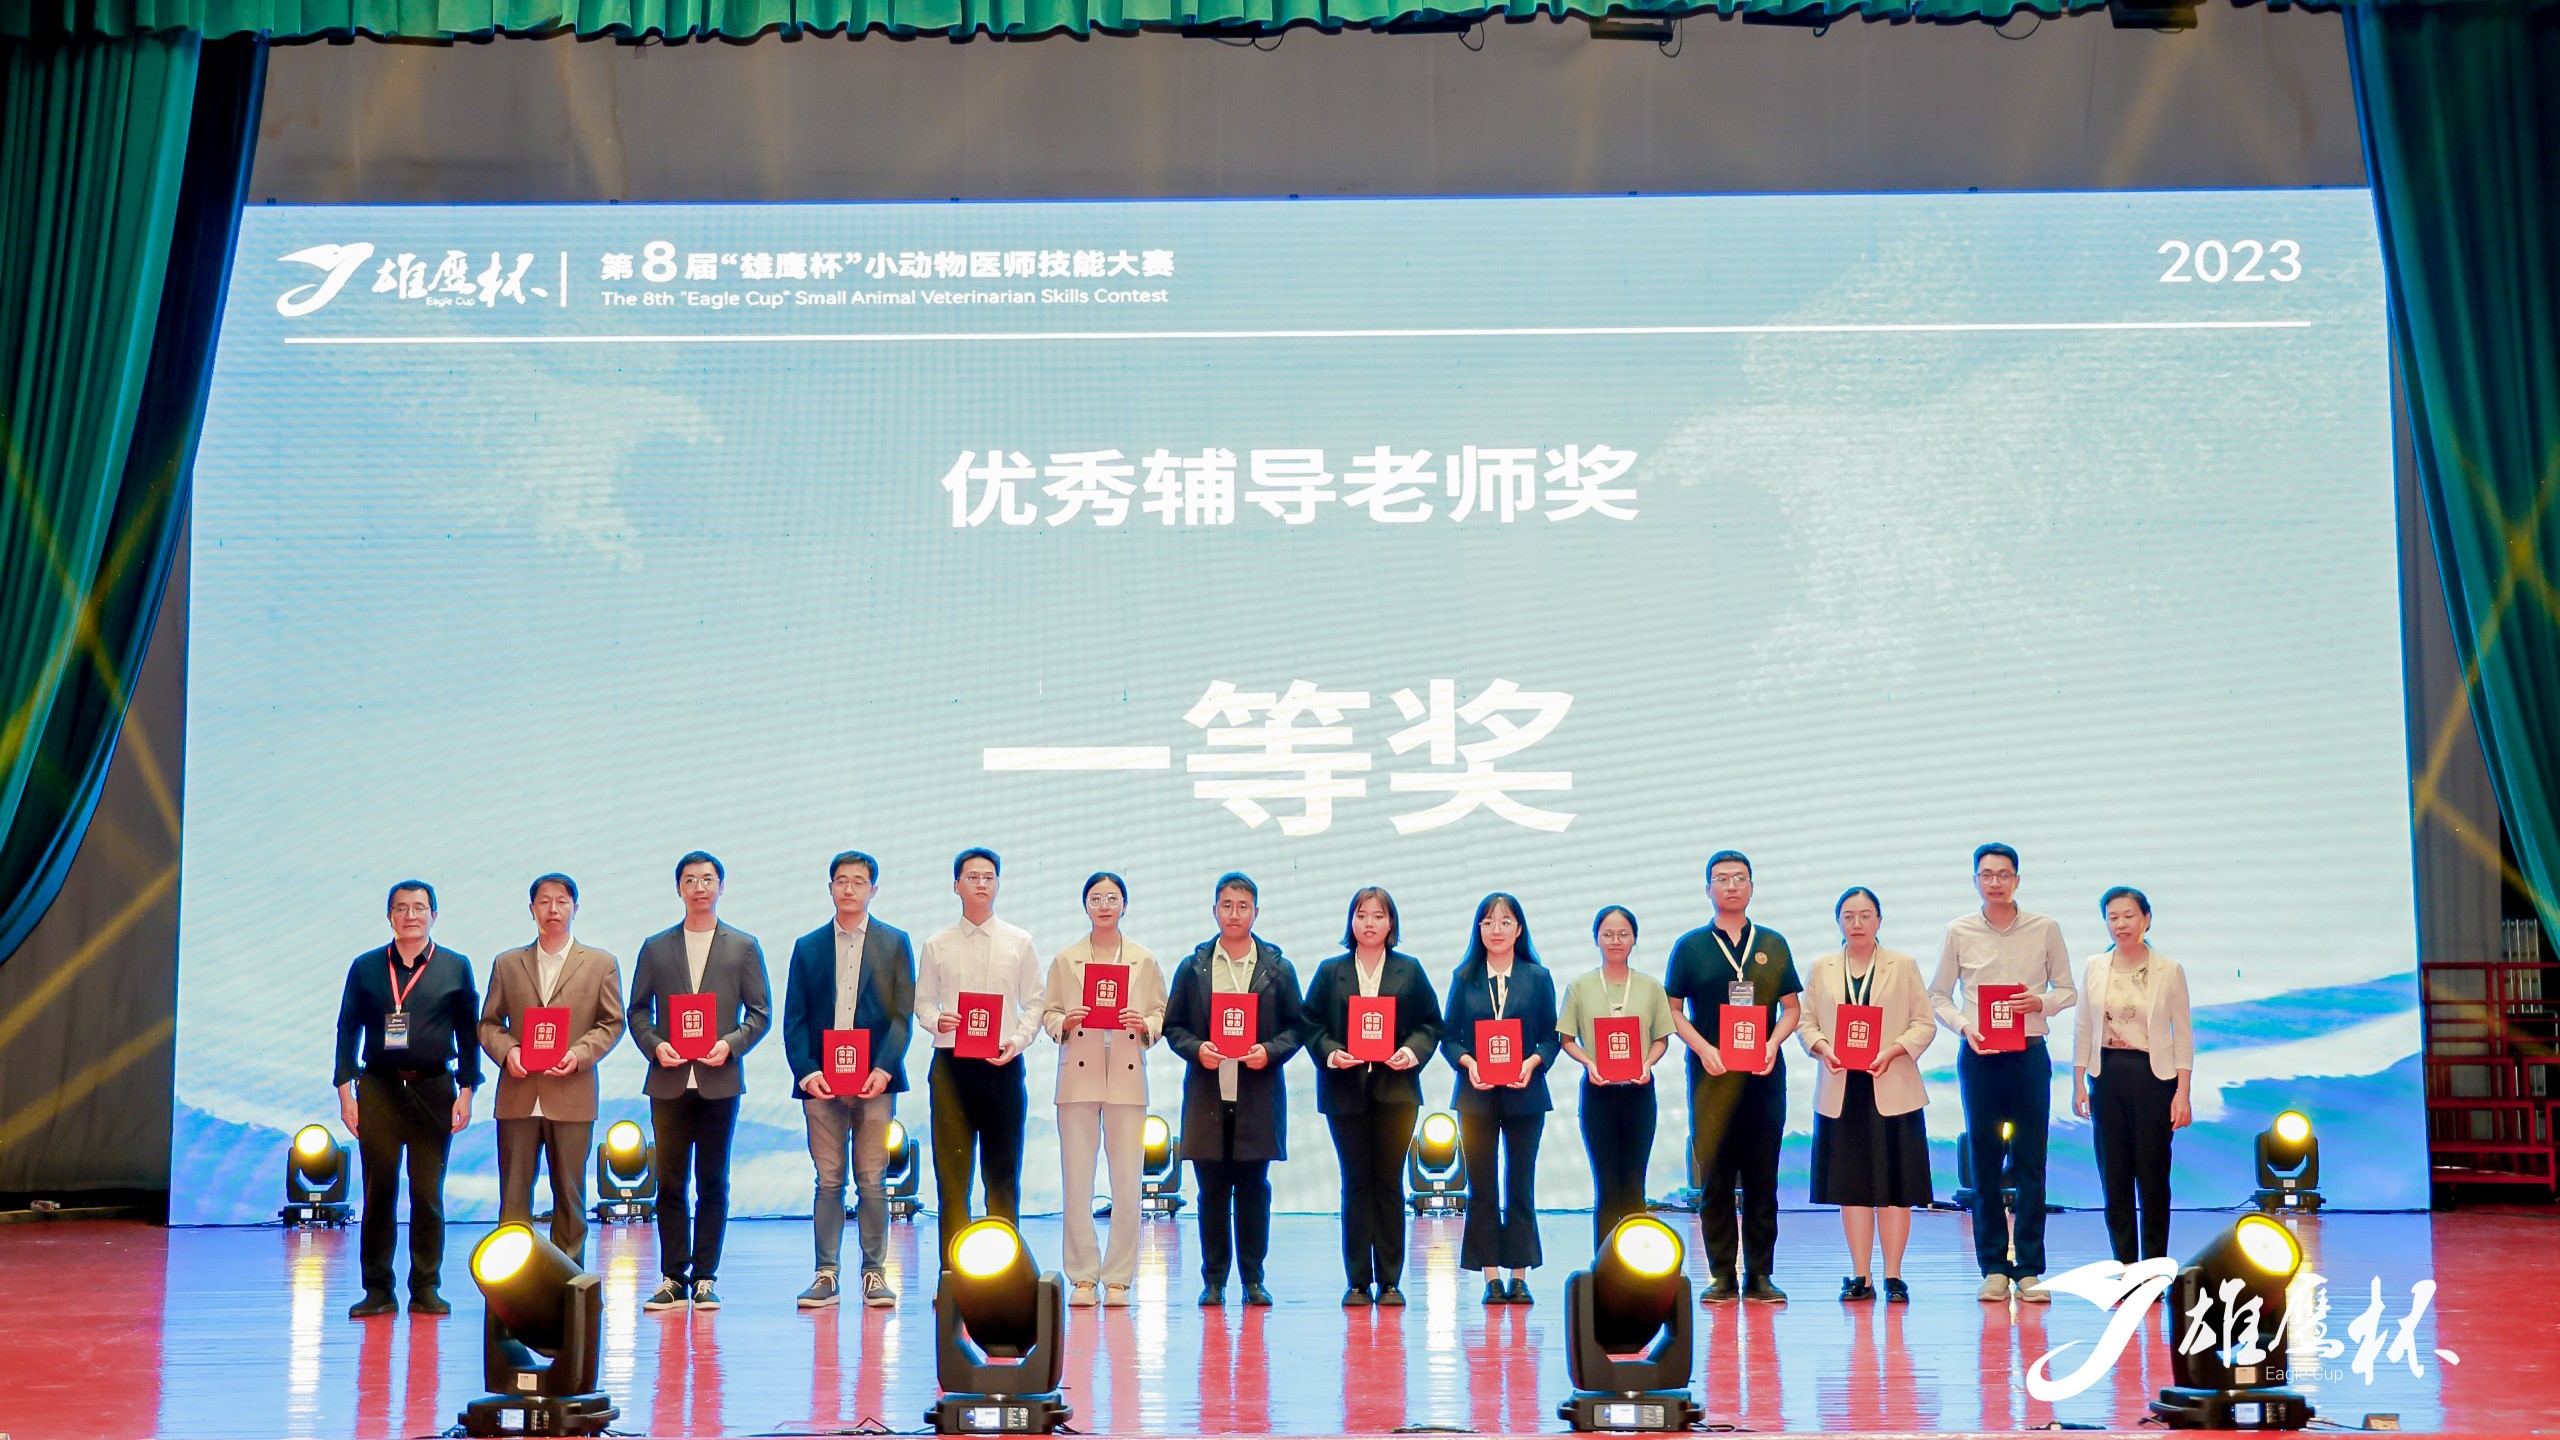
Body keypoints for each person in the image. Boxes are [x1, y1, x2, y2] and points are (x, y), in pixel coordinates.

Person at [1928, 842, 2076, 1304]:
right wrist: (1965, 1026)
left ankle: (2029, 1269)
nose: (1995, 882)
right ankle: (1993, 1267)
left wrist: (2040, 1002)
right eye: (1987, 875)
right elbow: (1938, 995)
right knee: (1985, 1164)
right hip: (1980, 1056)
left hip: (2029, 1054)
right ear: (1975, 881)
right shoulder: (1958, 931)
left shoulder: (2045, 928)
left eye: (2003, 874)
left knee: (2031, 1162)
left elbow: (2068, 990)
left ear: (2017, 880)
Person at [628, 851, 772, 1312]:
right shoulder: (655, 947)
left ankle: (706, 1276)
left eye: (708, 879)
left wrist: (731, 1044)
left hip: (719, 1079)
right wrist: (655, 1046)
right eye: (690, 880)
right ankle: (674, 1277)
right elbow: (637, 1010)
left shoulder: (743, 946)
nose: (699, 888)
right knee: (670, 1182)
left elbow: (761, 1012)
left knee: (713, 1181)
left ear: (721, 887)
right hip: (668, 1080)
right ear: (679, 889)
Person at [333, 880, 481, 1319]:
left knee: (427, 1193)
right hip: (377, 1087)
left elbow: (468, 1033)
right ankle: (378, 1289)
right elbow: (347, 1028)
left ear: (434, 914)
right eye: (401, 908)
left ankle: (426, 1287)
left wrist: (467, 1090)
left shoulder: (455, 966)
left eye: (419, 908)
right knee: (378, 1192)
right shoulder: (366, 967)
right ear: (389, 917)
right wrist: (345, 1091)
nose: (410, 916)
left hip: (434, 1088)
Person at [1163, 872, 1308, 1307]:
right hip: (1208, 1096)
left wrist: (1269, 1051)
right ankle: (1213, 1281)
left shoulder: (1277, 968)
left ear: (1256, 912)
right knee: (1210, 1194)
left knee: (1253, 1193)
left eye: (1243, 906)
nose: (1234, 914)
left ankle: (1253, 1280)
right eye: (1226, 905)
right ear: (1214, 910)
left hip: (1257, 1097)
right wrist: (1197, 1049)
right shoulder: (1194, 967)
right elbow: (1174, 1026)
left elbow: (1297, 1027)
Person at [1665, 850, 1803, 1304]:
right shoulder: (1690, 946)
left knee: (1763, 1180)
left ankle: (1760, 1276)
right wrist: (1703, 1048)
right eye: (1721, 879)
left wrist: (1773, 1043)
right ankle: (1722, 1275)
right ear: (1708, 889)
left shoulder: (1773, 943)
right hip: (1712, 1079)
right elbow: (1672, 1010)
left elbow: (1792, 1008)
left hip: (1763, 1077)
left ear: (1751, 887)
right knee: (1716, 1181)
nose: (1731, 886)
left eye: (1739, 878)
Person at [782, 850, 916, 1310]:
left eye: (859, 881)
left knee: (873, 1180)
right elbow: (794, 1019)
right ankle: (826, 1274)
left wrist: (884, 1068)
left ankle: (874, 1273)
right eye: (841, 880)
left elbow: (901, 1016)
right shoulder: (808, 946)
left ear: (873, 889)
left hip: (874, 1081)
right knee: (828, 1180)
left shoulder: (894, 942)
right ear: (830, 888)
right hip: (820, 1082)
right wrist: (807, 1071)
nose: (849, 888)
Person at [478, 873, 626, 1269]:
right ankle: (511, 1283)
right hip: (518, 1094)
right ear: (532, 910)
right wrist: (508, 1051)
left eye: (562, 901)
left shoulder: (600, 963)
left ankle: (569, 1284)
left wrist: (579, 1054)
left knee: (570, 1197)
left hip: (572, 1093)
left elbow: (612, 1023)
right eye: (544, 901)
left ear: (576, 908)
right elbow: (488, 1023)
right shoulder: (507, 963)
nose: (553, 909)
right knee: (513, 1198)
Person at [1304, 886, 1443, 1307]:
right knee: (1355, 1182)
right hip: (1345, 1092)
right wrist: (1331, 1052)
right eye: (1361, 915)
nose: (1369, 923)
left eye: (1378, 916)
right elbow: (1310, 1024)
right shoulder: (1331, 971)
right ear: (1351, 921)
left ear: (1391, 923)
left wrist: (1411, 1052)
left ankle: (1390, 1281)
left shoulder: (1409, 970)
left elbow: (1431, 1024)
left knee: (1388, 1183)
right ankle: (1357, 1282)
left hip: (1396, 1093)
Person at [1797, 887, 1937, 1303]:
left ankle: (1894, 1276)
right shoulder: (1821, 967)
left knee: (1896, 1188)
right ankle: (1861, 1275)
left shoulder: (1903, 964)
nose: (1856, 924)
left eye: (1865, 915)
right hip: (1842, 1089)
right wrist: (1822, 1047)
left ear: (1879, 920)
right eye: (1848, 916)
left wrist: (1894, 1051)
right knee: (1852, 1188)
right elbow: (1805, 1022)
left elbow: (1923, 1023)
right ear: (1838, 921)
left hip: (1892, 1084)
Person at [1040, 872, 1168, 1308]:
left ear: (1125, 905)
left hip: (1127, 1075)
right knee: (1077, 1180)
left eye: (1112, 898)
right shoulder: (1066, 959)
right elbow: (1049, 1013)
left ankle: (1118, 1279)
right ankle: (1082, 1276)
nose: (1105, 906)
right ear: (1085, 906)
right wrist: (1065, 1022)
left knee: (1127, 1182)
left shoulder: (1143, 960)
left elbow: (1160, 1012)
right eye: (1096, 898)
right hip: (1078, 1073)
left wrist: (1145, 1024)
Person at [914, 847, 1045, 1270]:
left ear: (998, 885)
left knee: (1002, 1176)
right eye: (972, 877)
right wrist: (937, 1019)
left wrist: (1017, 1041)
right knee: (952, 1180)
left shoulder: (1019, 941)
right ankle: (952, 1275)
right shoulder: (936, 944)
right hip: (951, 1067)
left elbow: (1036, 1002)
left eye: (989, 877)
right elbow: (922, 1002)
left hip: (1002, 1065)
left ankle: (1005, 1276)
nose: (981, 883)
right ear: (956, 885)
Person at [1439, 892, 1560, 1306]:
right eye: (1488, 922)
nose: (1496, 930)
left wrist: (1533, 1062)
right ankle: (1491, 1276)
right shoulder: (1464, 977)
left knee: (1520, 1184)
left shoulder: (1538, 977)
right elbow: (1448, 1037)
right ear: (1479, 929)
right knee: (1483, 1187)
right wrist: (1468, 1063)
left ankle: (1519, 1276)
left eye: (1505, 922)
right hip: (1477, 1097)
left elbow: (1551, 1036)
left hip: (1526, 1095)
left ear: (1519, 929)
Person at [2072, 886, 2194, 1265]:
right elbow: (2083, 1027)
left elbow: (2183, 1035)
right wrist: (2078, 1081)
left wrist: (2183, 1092)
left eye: (2128, 916)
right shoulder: (2095, 967)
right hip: (2106, 1075)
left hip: (2153, 1078)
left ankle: (2154, 1269)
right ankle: (2125, 1266)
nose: (2121, 924)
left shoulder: (2168, 970)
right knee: (2115, 1176)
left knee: (2153, 1177)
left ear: (2146, 919)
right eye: (2113, 917)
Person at [1556, 905, 1676, 1249]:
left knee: (1634, 1186)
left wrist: (1647, 1064)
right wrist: (1589, 1063)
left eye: (1623, 934)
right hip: (1599, 1093)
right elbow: (1566, 1038)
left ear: (1634, 938)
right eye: (1607, 934)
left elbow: (1661, 1038)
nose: (1615, 940)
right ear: (1596, 939)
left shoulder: (1650, 986)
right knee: (1607, 1186)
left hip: (1639, 1092)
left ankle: (1638, 1265)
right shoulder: (1579, 987)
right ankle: (1604, 1266)